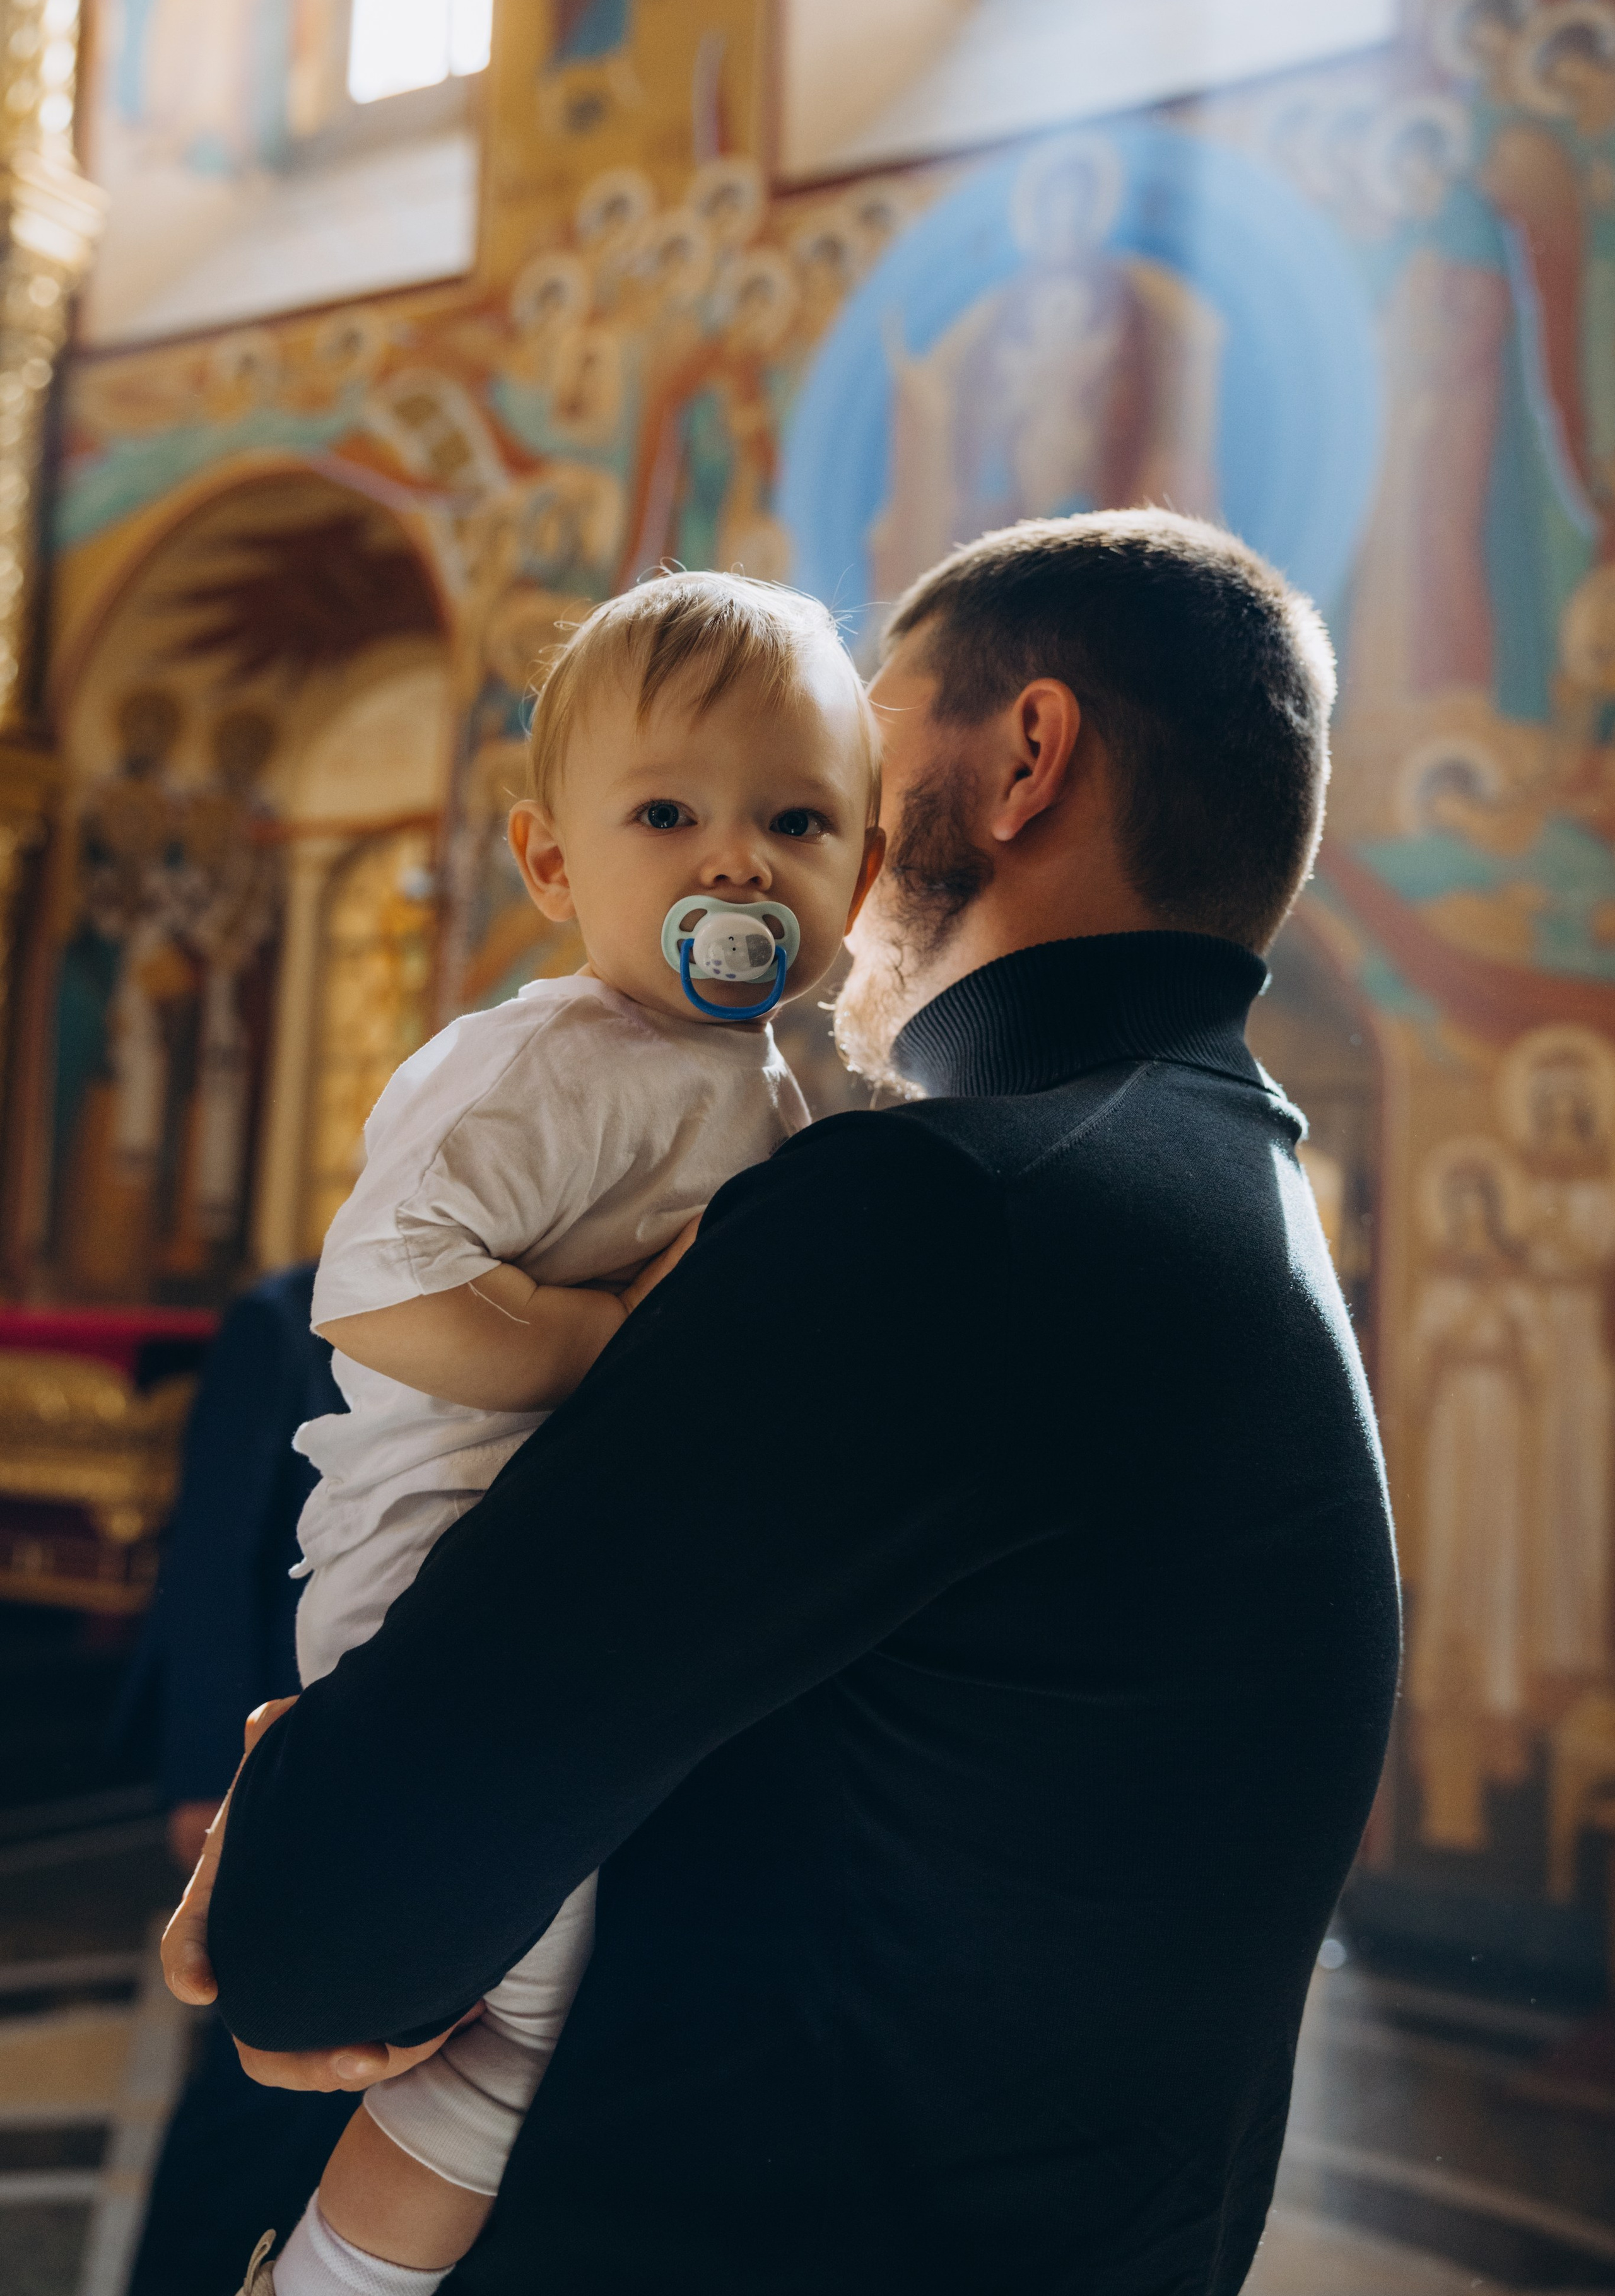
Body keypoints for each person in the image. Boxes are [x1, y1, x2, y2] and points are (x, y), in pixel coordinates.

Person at [170, 512, 1401, 2296]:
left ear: (1026, 757)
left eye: (854, 742)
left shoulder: (954, 1214)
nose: (803, 803)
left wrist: (308, 1819)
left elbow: (317, 1937)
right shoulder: (1221, 1188)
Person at [232, 570, 884, 2293]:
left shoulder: (767, 1090)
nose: (737, 862)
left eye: (797, 821)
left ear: (862, 881)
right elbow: (377, 1293)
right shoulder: (541, 1068)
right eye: (667, 813)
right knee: (517, 2011)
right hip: (432, 1568)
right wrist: (615, 1343)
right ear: (550, 865)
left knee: (575, 1993)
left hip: (579, 1586)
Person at [116, 1266, 360, 2296]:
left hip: (377, 1764)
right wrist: (202, 1779)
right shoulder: (280, 1317)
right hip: (270, 1764)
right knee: (249, 2089)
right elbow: (214, 1559)